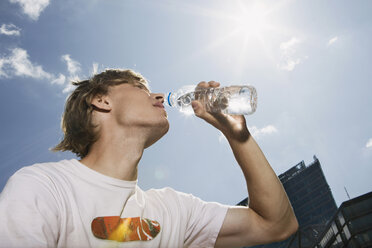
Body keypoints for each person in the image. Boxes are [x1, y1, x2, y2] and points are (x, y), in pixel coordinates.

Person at [0, 69, 298, 248]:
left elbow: (275, 225)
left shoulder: (174, 210)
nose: (158, 96)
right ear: (101, 101)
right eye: (141, 89)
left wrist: (237, 136)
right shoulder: (43, 187)